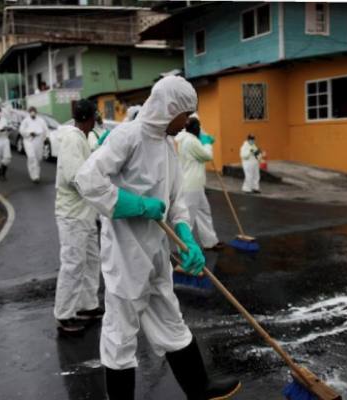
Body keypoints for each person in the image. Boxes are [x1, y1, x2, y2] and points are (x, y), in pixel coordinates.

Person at [76, 76, 241, 400]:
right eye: (185, 115)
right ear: (169, 109)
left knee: (170, 319)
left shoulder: (169, 145)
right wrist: (135, 204)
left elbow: (176, 199)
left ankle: (199, 387)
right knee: (121, 335)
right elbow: (87, 180)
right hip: (125, 255)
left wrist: (186, 237)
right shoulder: (129, 136)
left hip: (155, 252)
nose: (187, 122)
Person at [53, 99, 103, 334]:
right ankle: (65, 315)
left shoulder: (81, 138)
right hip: (73, 215)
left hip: (85, 213)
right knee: (73, 264)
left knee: (91, 260)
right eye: (95, 116)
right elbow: (75, 177)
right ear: (90, 117)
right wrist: (102, 187)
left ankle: (86, 305)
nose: (96, 120)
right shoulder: (73, 138)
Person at [175, 116, 223, 251]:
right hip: (191, 186)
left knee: (204, 211)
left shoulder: (184, 139)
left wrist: (202, 140)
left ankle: (210, 241)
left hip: (195, 185)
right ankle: (184, 249)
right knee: (188, 219)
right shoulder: (191, 141)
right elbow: (207, 156)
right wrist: (207, 143)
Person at [20, 106, 48, 183]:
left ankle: (37, 174)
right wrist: (29, 133)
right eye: (31, 111)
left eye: (34, 111)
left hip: (39, 141)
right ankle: (34, 176)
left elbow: (45, 130)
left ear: (36, 112)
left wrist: (45, 139)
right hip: (29, 141)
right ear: (29, 112)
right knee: (31, 157)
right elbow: (21, 131)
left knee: (38, 158)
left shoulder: (41, 121)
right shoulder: (25, 121)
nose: (33, 112)